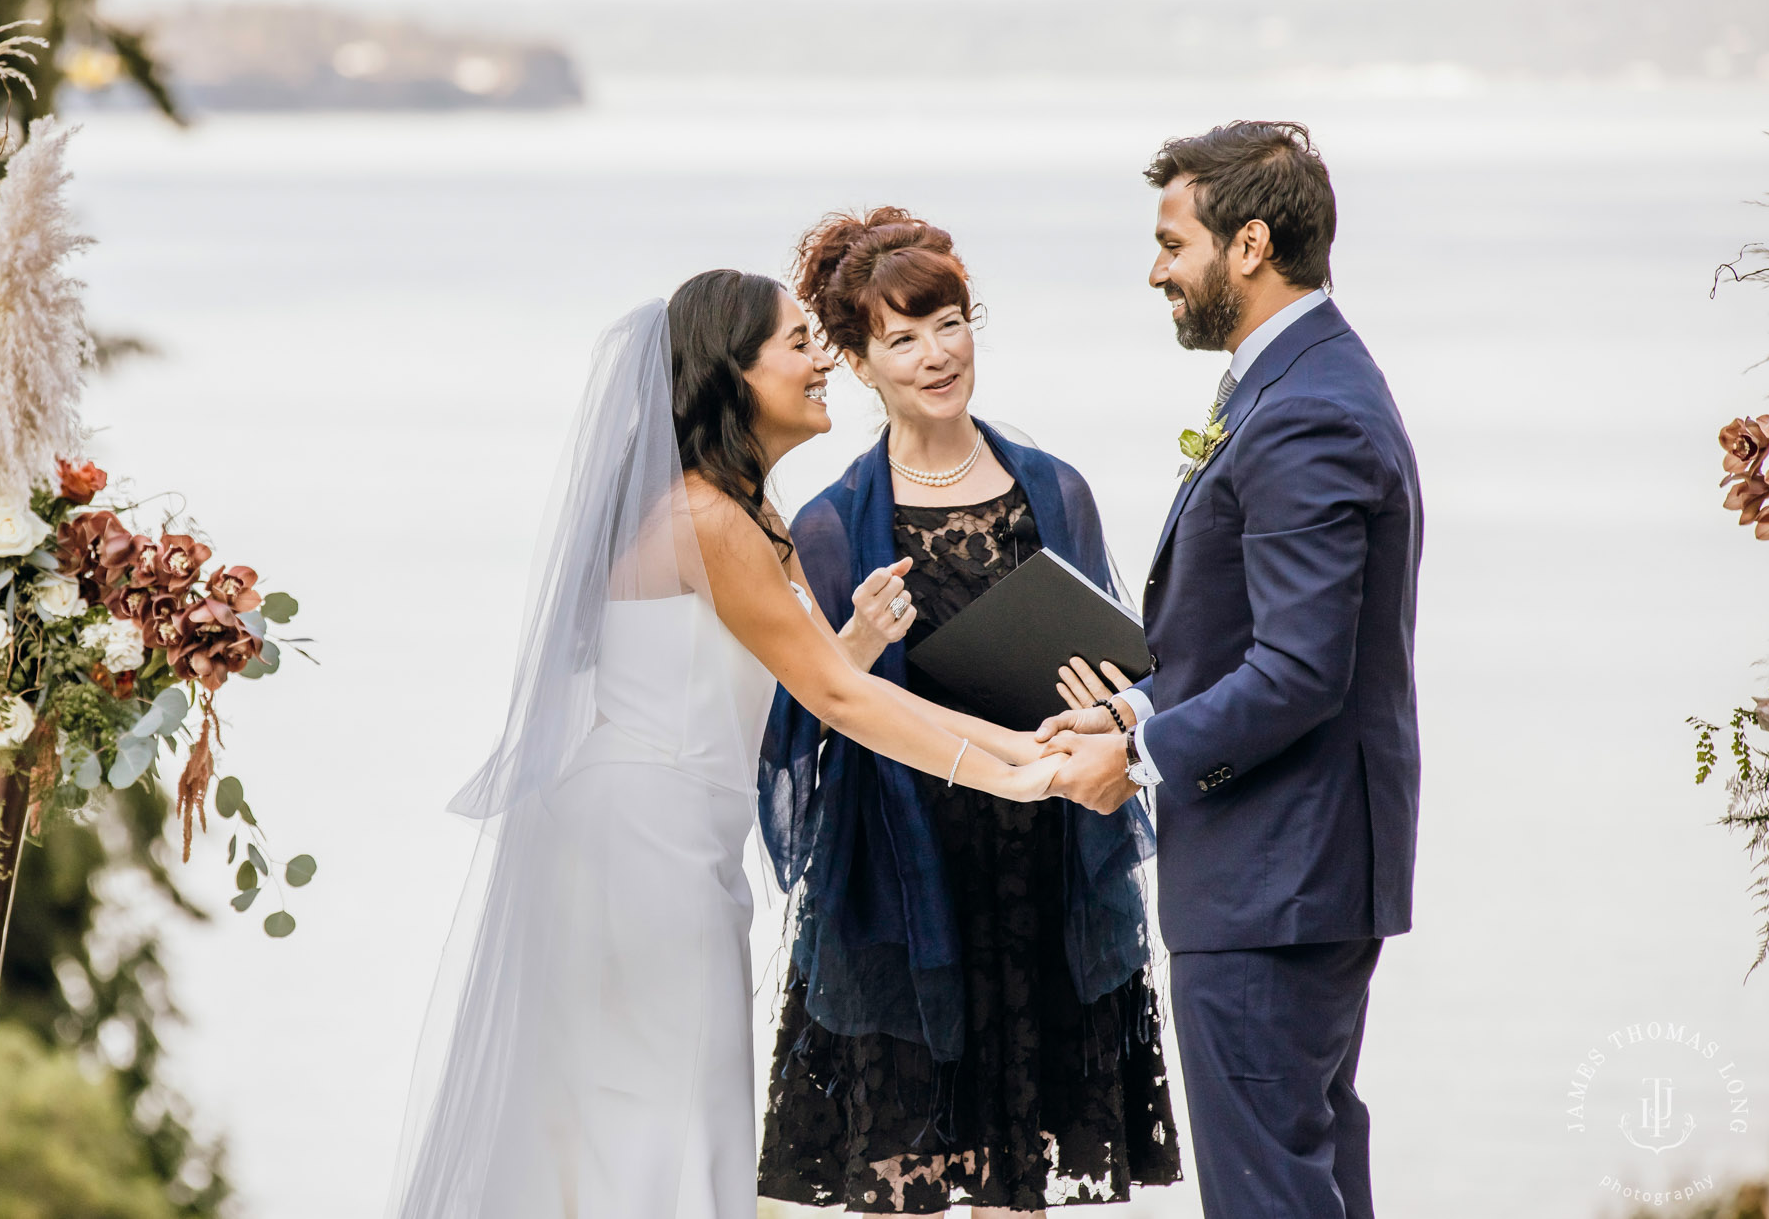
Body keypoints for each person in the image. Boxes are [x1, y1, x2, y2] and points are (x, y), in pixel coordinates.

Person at [388, 270, 1096, 1219]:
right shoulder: (708, 518)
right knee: (660, 1109)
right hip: (638, 846)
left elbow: (809, 682)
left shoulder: (751, 511)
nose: (821, 364)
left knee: (680, 1101)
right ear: (733, 373)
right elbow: (842, 702)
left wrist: (1019, 745)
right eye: (799, 344)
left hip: (681, 837)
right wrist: (1012, 777)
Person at [756, 209, 1180, 1218]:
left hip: (1036, 868)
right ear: (859, 364)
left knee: (1016, 1183)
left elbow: (1125, 671)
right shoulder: (829, 524)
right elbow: (794, 733)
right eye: (900, 337)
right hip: (902, 887)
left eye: (946, 322)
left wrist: (1113, 704)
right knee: (901, 1182)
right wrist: (855, 642)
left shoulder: (1051, 491)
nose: (934, 354)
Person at [1039, 122, 1423, 1219]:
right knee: (1304, 1169)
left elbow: (1300, 670)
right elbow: (1249, 636)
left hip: (1276, 874)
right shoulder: (1292, 380)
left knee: (1268, 1192)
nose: (1155, 268)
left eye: (1172, 241)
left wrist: (1138, 753)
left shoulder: (1305, 411)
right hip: (1291, 870)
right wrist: (1136, 701)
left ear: (1247, 244)